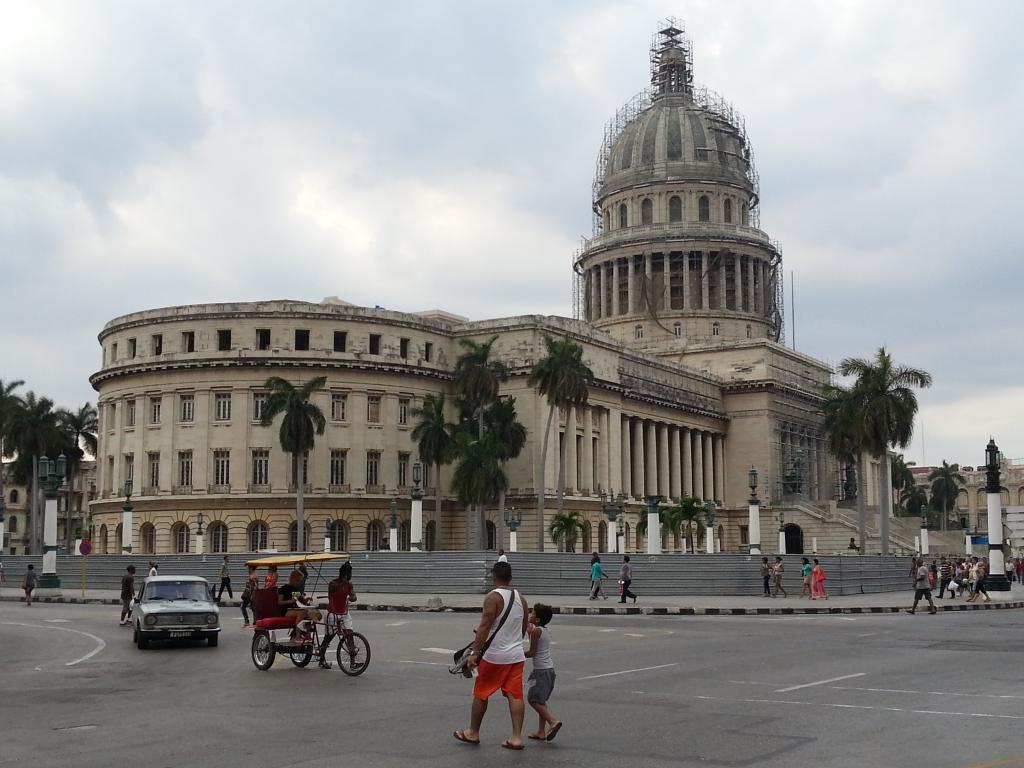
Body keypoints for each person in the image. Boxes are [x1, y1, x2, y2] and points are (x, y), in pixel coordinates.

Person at [454, 561, 529, 750]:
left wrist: (475, 653)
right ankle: (516, 737)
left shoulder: (493, 597)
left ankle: (472, 732)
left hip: (495, 656)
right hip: (516, 655)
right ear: (510, 578)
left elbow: (485, 626)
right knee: (515, 694)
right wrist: (512, 641)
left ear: (494, 577)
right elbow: (522, 627)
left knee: (481, 693)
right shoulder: (521, 597)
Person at [525, 603, 562, 742]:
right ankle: (540, 731)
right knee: (541, 701)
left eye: (533, 613)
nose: (530, 615)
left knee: (533, 700)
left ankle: (552, 722)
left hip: (541, 671)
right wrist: (529, 633)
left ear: (538, 619)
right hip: (549, 670)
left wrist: (515, 654)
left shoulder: (536, 631)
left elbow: (531, 652)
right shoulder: (544, 630)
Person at [319, 562, 359, 670]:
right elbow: (331, 593)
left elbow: (354, 596)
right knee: (328, 638)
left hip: (344, 613)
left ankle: (352, 663)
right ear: (345, 574)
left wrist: (352, 597)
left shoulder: (349, 585)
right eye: (349, 574)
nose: (351, 576)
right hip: (332, 613)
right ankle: (321, 659)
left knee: (349, 635)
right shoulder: (333, 584)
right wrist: (342, 584)